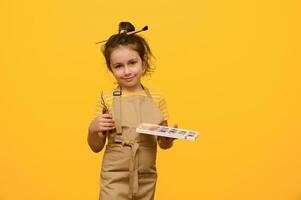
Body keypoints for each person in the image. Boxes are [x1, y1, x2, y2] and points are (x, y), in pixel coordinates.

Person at [88, 21, 177, 200]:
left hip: (145, 178)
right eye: (118, 66)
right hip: (114, 178)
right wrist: (93, 128)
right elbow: (95, 147)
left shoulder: (157, 98)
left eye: (132, 63)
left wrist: (169, 138)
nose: (127, 71)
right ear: (111, 69)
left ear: (143, 62)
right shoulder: (107, 99)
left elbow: (164, 144)